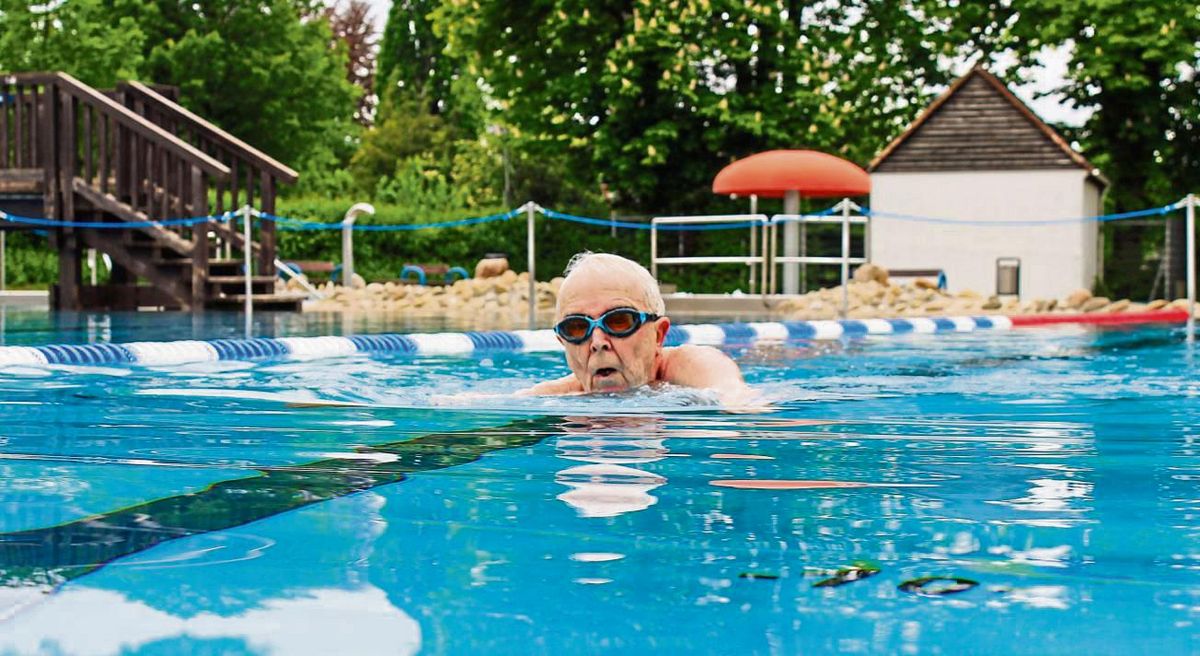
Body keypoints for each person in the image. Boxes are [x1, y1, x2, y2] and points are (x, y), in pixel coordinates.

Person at [520, 252, 754, 405]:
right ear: (563, 343)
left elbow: (736, 398)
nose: (597, 342)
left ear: (658, 335)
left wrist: (735, 403)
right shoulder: (558, 395)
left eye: (618, 321)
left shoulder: (689, 365)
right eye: (577, 327)